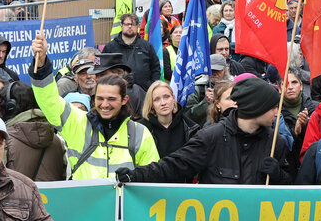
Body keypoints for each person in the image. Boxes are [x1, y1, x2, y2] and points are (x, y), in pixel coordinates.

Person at [29, 34, 160, 181]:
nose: (96, 80)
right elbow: (49, 101)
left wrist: (135, 178)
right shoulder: (77, 122)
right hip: (85, 204)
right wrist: (41, 64)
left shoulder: (140, 134)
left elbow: (152, 182)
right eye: (97, 76)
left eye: (103, 75)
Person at [119, 77, 291, 184]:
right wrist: (134, 176)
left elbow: (293, 190)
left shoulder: (276, 142)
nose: (277, 113)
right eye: (273, 107)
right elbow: (174, 165)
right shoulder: (211, 137)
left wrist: (279, 175)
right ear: (256, 107)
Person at [0, 81, 68, 181]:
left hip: (16, 196)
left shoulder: (3, 141)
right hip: (52, 197)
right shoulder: (57, 140)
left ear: (10, 107)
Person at [140, 81, 200, 159]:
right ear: (151, 104)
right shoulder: (142, 129)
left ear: (173, 98)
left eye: (166, 97)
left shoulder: (190, 127)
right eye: (157, 99)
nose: (163, 103)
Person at [103, 13, 162, 91]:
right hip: (117, 91)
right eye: (127, 24)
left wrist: (151, 86)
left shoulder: (147, 46)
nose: (130, 27)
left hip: (144, 92)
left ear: (137, 26)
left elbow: (155, 68)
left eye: (133, 24)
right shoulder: (110, 47)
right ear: (121, 25)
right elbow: (104, 69)